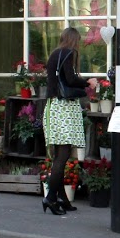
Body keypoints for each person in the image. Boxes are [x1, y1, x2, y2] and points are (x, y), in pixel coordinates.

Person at [42, 27, 88, 216]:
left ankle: (62, 199)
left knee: (61, 155)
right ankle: (51, 198)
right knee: (62, 156)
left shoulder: (54, 54)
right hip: (64, 108)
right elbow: (70, 78)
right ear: (74, 40)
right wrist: (87, 82)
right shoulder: (69, 53)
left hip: (53, 107)